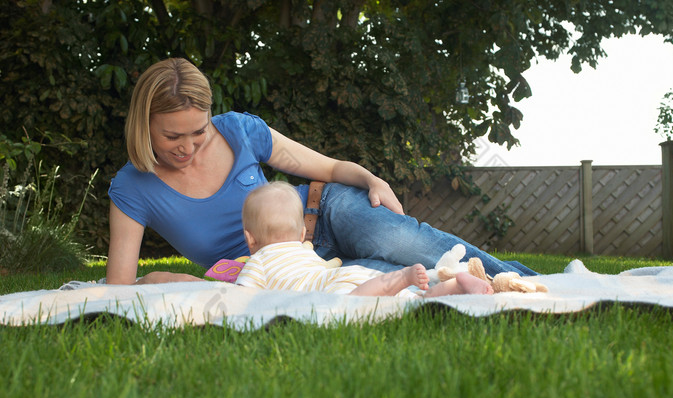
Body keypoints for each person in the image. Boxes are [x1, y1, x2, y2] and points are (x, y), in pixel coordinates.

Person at [106, 57, 537, 285]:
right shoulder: (132, 188)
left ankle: (527, 283)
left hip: (321, 211)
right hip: (280, 271)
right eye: (170, 137)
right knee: (395, 278)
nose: (187, 147)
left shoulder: (239, 129)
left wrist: (371, 179)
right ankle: (480, 285)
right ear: (143, 126)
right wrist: (166, 278)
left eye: (197, 131)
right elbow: (119, 286)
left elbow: (326, 166)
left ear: (210, 115)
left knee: (400, 240)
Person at [236, 182, 494, 297]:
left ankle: (403, 278)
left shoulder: (257, 263)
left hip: (334, 289)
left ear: (250, 239)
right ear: (303, 234)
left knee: (351, 306)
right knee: (412, 301)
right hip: (350, 275)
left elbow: (240, 298)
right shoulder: (305, 251)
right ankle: (453, 287)